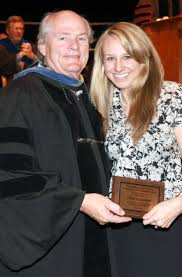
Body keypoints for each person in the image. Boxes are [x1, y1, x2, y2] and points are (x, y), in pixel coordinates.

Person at [0, 10, 131, 277]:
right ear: (42, 47)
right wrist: (79, 201)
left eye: (82, 39)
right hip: (53, 250)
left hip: (104, 242)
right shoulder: (18, 95)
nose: (74, 46)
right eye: (63, 37)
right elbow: (10, 175)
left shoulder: (94, 95)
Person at [90, 21, 182, 277]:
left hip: (168, 224)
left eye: (127, 56)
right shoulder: (100, 105)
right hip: (117, 229)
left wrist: (177, 205)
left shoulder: (173, 97)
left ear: (145, 57)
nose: (118, 67)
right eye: (110, 58)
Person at [0, 15, 37, 83]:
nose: (19, 31)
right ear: (7, 30)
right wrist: (19, 56)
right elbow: (4, 67)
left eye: (21, 29)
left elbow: (41, 65)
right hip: (9, 84)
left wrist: (32, 56)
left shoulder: (29, 45)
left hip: (30, 83)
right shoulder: (2, 46)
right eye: (16, 28)